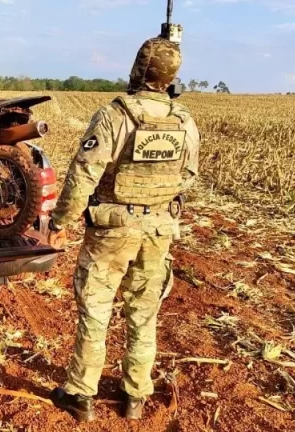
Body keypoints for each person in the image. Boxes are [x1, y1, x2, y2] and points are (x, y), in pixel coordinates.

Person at [47, 37, 200, 422]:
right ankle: (135, 396)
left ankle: (81, 395)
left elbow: (83, 175)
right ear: (170, 78)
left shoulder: (115, 115)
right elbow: (189, 175)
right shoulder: (184, 121)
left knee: (96, 311)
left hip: (112, 231)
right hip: (160, 230)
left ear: (137, 70)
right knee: (144, 312)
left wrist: (61, 222)